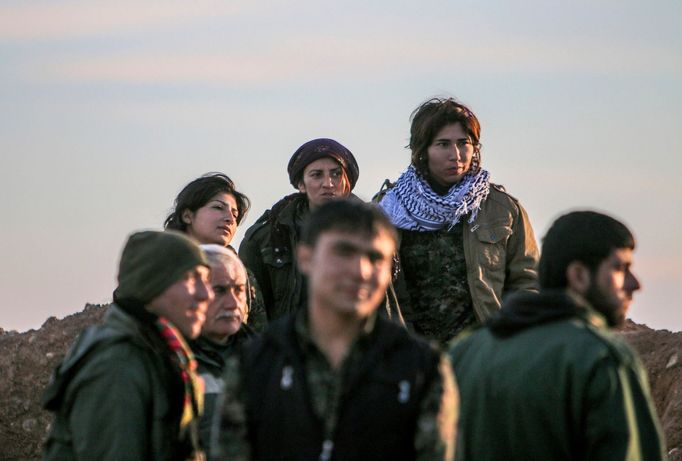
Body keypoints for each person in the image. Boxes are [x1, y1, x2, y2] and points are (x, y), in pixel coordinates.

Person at [215, 200, 457, 461]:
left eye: (376, 258)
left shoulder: (420, 367)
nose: (360, 271)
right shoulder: (257, 362)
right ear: (306, 257)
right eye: (344, 252)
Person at [449, 211, 667, 460]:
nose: (634, 284)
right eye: (620, 268)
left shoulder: (466, 351)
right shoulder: (599, 358)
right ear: (579, 275)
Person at [377, 97, 539, 345]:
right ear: (422, 150)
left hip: (481, 352)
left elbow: (527, 281)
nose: (455, 155)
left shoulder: (502, 209)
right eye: (443, 144)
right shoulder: (386, 209)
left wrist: (508, 335)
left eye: (463, 143)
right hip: (405, 350)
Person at [42, 230, 213, 460]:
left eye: (207, 280)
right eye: (191, 278)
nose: (207, 294)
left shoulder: (165, 354)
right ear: (151, 284)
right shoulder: (117, 365)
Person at [239, 138, 360, 321]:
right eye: (317, 175)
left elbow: (396, 303)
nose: (328, 183)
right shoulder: (267, 237)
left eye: (336, 174)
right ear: (301, 185)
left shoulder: (374, 234)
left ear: (347, 182)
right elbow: (250, 311)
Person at [165, 172, 267, 331]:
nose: (230, 219)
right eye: (218, 207)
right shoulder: (160, 264)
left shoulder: (241, 274)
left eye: (235, 214)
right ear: (187, 216)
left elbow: (258, 332)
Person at [189, 244, 257, 457]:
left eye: (238, 290)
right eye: (219, 290)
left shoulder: (269, 359)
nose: (232, 303)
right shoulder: (166, 359)